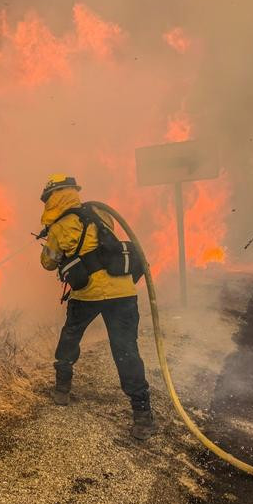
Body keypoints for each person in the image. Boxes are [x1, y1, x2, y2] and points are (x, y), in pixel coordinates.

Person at [38, 174, 157, 440]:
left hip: (88, 294)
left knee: (70, 335)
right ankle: (142, 415)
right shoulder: (99, 212)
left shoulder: (59, 227)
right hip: (124, 292)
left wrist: (50, 241)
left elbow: (48, 263)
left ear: (51, 198)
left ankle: (62, 389)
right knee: (126, 350)